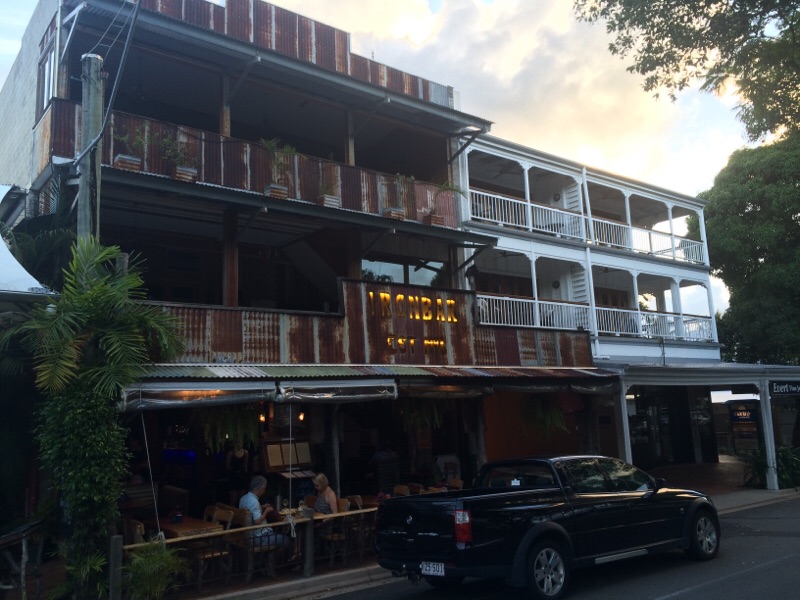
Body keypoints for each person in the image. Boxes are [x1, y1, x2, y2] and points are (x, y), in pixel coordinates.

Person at [239, 476, 290, 549]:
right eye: (263, 489)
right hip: (259, 538)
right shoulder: (254, 502)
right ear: (258, 489)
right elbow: (257, 521)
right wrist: (266, 511)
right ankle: (272, 556)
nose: (264, 491)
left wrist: (261, 507)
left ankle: (269, 555)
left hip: (248, 536)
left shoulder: (243, 498)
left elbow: (251, 510)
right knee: (285, 539)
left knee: (278, 534)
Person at [226, 440, 249, 505]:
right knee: (233, 499)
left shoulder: (245, 452)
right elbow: (227, 466)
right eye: (237, 442)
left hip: (242, 477)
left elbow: (245, 466)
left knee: (241, 499)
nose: (239, 444)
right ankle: (232, 511)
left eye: (240, 442)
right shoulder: (231, 453)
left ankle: (240, 511)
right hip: (233, 477)